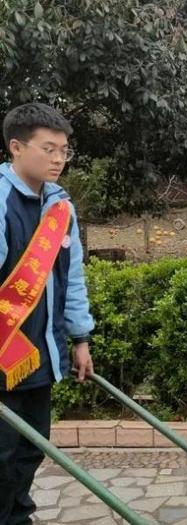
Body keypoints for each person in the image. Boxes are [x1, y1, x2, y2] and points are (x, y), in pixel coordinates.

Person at [0, 103, 94, 524]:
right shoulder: (1, 201)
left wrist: (80, 338)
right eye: (48, 148)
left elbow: (72, 280)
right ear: (16, 147)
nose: (58, 159)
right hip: (3, 354)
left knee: (30, 447)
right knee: (0, 454)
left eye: (64, 150)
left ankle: (18, 515)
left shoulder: (61, 208)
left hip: (40, 355)